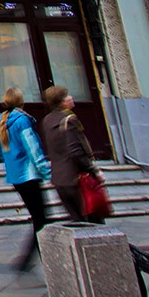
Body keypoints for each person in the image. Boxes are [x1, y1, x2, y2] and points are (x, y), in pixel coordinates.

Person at [0, 87, 50, 271]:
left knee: (39, 217)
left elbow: (5, 152)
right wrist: (45, 170)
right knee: (41, 219)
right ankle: (43, 259)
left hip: (15, 176)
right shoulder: (22, 121)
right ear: (21, 100)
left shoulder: (3, 121)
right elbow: (32, 147)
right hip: (28, 174)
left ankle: (30, 259)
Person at [40, 84, 105, 224]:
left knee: (78, 220)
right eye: (67, 96)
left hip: (59, 178)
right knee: (92, 222)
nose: (71, 97)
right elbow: (75, 151)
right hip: (76, 178)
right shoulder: (69, 120)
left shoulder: (47, 120)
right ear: (62, 101)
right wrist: (93, 170)